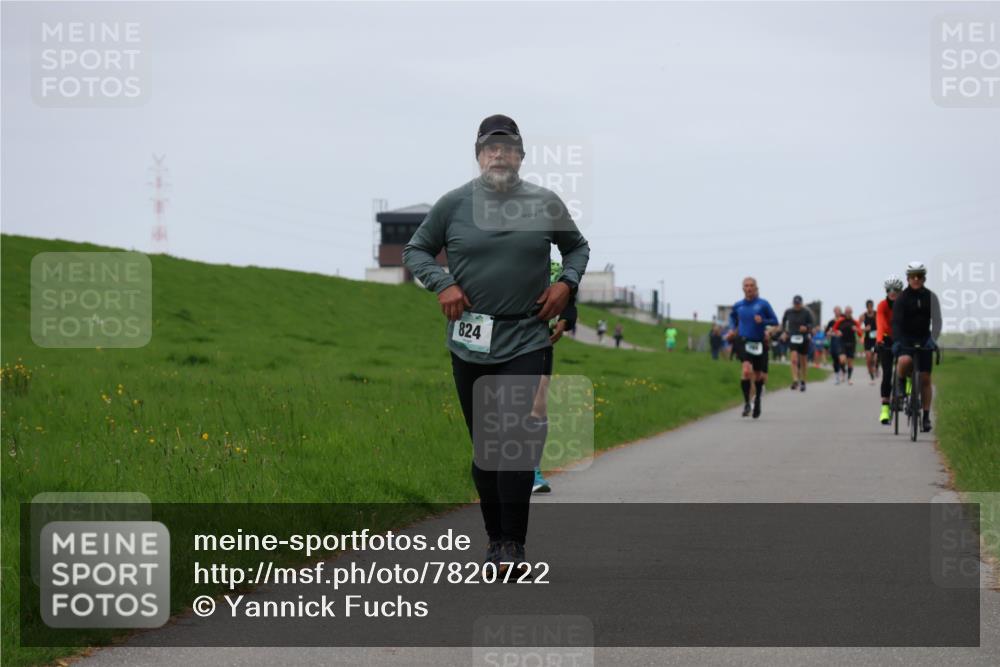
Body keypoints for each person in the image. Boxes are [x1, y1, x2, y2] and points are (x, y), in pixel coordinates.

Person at [403, 114, 590, 575]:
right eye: (491, 148)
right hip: (471, 339)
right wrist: (442, 282)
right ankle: (495, 540)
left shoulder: (544, 202)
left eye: (508, 148)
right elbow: (415, 251)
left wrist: (566, 285)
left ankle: (514, 545)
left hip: (527, 334)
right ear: (479, 155)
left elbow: (578, 248)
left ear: (521, 156)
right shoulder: (454, 204)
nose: (499, 155)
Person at [529, 261, 579, 495]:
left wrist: (564, 321)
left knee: (537, 406)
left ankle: (533, 469)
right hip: (501, 339)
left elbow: (570, 303)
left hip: (540, 341)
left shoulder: (557, 268)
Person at [891, 261, 942, 432]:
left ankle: (926, 417)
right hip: (906, 338)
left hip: (924, 338)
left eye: (919, 276)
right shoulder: (902, 299)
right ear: (907, 278)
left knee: (925, 379)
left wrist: (933, 338)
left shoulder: (931, 297)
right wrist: (897, 341)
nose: (916, 279)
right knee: (904, 361)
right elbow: (896, 323)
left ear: (924, 278)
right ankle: (900, 381)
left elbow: (937, 321)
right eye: (912, 276)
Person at [726, 277, 779, 419]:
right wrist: (732, 329)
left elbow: (775, 321)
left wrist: (763, 321)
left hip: (759, 342)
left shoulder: (763, 304)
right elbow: (732, 318)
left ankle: (757, 400)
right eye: (746, 286)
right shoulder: (738, 305)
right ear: (743, 288)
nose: (749, 288)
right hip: (743, 341)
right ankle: (746, 403)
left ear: (756, 288)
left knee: (758, 376)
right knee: (746, 370)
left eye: (751, 285)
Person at [876, 275, 903, 424]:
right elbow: (880, 323)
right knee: (887, 374)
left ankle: (908, 389)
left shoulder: (905, 304)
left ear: (900, 291)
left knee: (906, 365)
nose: (892, 292)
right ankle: (885, 409)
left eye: (896, 289)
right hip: (886, 338)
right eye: (889, 290)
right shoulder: (882, 305)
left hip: (902, 338)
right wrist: (879, 341)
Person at [781, 294, 815, 392]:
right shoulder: (788, 312)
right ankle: (795, 380)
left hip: (803, 338)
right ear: (793, 303)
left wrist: (806, 328)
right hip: (792, 337)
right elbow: (783, 322)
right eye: (795, 304)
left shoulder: (806, 312)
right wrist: (784, 332)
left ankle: (803, 381)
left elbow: (811, 324)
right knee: (794, 359)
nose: (797, 306)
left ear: (801, 303)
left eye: (798, 304)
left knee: (803, 361)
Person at [834, 305, 862, 385]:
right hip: (842, 342)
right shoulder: (840, 321)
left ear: (851, 312)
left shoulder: (855, 322)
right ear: (845, 312)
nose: (848, 313)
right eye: (846, 312)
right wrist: (837, 332)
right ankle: (843, 372)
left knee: (850, 362)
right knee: (842, 359)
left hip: (852, 343)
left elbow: (860, 334)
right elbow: (834, 329)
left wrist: (857, 330)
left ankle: (849, 379)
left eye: (849, 312)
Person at [860, 299, 879, 384]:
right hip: (868, 340)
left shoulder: (877, 314)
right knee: (868, 359)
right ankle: (871, 377)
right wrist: (864, 329)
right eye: (869, 306)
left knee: (875, 358)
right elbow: (858, 328)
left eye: (871, 306)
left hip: (876, 339)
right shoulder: (863, 316)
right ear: (866, 307)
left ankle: (876, 368)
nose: (870, 308)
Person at [825, 306, 844, 384]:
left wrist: (842, 333)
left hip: (842, 341)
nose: (836, 312)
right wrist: (830, 333)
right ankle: (837, 376)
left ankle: (843, 372)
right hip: (833, 341)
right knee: (835, 358)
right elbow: (826, 332)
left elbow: (847, 331)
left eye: (838, 310)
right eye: (835, 311)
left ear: (840, 311)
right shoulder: (831, 322)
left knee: (841, 358)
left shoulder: (843, 321)